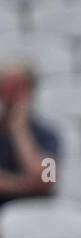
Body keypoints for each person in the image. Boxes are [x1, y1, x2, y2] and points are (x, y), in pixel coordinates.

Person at [0, 61, 59, 206]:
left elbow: (47, 179)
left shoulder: (48, 135)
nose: (11, 96)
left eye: (18, 89)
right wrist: (26, 185)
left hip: (37, 214)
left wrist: (19, 131)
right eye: (7, 87)